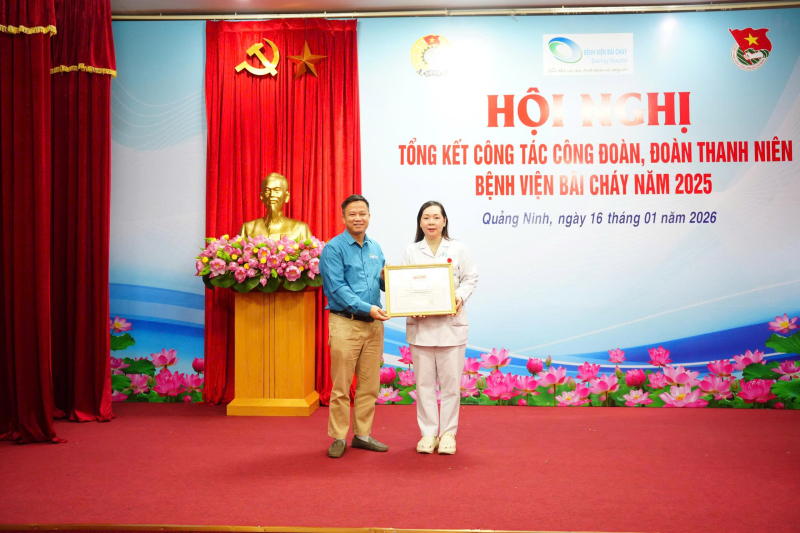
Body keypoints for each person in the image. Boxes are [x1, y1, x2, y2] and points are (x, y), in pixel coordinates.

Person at [401, 201, 478, 455]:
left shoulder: (458, 248)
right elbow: (403, 285)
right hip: (421, 327)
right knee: (423, 385)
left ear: (444, 221)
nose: (431, 222)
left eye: (436, 217)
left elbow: (470, 278)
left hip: (450, 327)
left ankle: (448, 434)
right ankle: (428, 434)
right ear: (420, 222)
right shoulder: (411, 251)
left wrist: (459, 297)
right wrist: (410, 304)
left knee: (450, 385)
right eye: (426, 217)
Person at [320, 194, 390, 458]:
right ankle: (339, 437)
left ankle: (362, 435)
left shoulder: (376, 248)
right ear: (343, 217)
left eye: (362, 213)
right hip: (345, 324)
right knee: (341, 386)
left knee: (369, 386)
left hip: (374, 326)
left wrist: (394, 281)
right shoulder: (333, 249)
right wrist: (367, 308)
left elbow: (381, 284)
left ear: (369, 216)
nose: (358, 218)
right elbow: (337, 289)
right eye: (352, 214)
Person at [239, 172, 312, 241]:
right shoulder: (247, 228)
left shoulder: (301, 229)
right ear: (262, 196)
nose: (272, 195)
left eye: (277, 191)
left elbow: (310, 249)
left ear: (286, 197)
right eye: (267, 191)